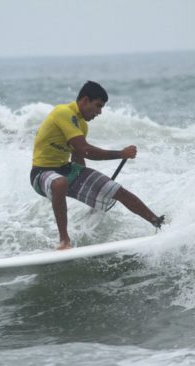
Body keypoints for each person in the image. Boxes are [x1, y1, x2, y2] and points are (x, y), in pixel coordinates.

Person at [30, 81, 165, 250]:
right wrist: (120, 154)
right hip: (41, 173)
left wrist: (93, 190)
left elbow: (78, 157)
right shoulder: (62, 112)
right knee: (60, 183)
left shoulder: (81, 125)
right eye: (98, 106)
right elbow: (86, 150)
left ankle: (159, 223)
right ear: (85, 100)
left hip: (66, 169)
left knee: (116, 190)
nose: (99, 112)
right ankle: (64, 241)